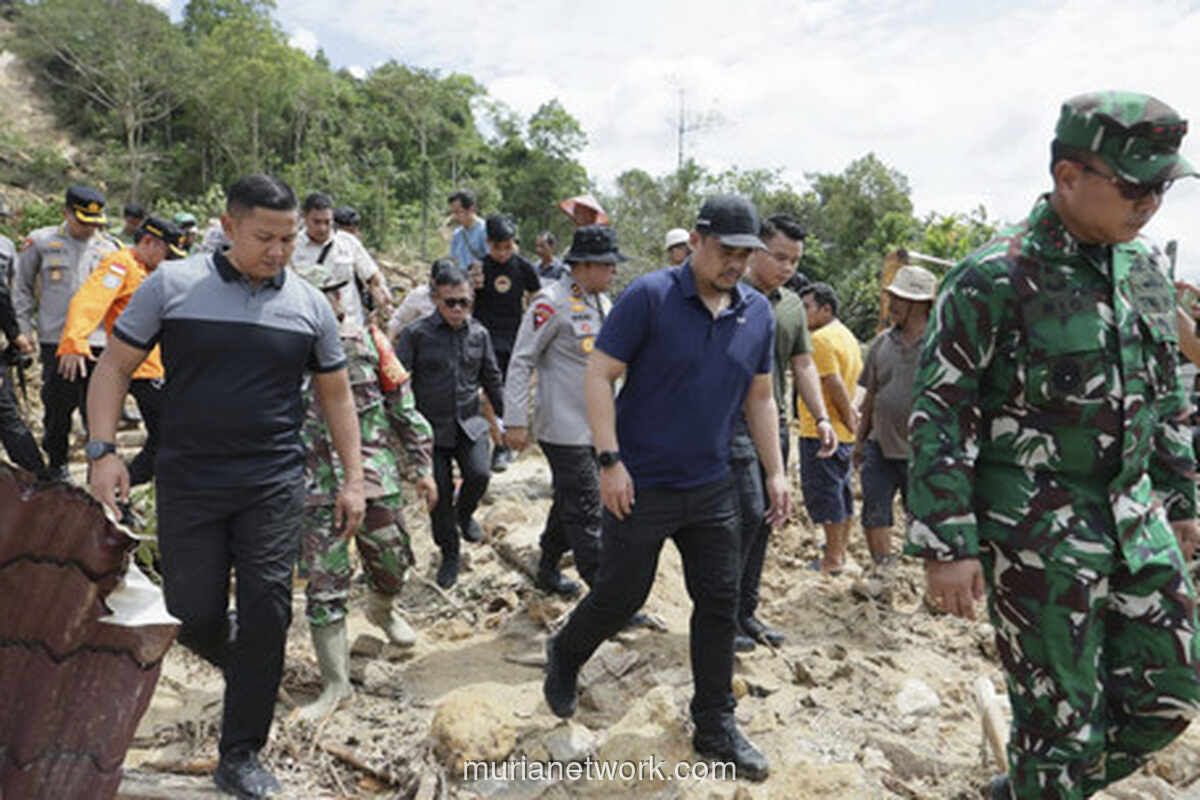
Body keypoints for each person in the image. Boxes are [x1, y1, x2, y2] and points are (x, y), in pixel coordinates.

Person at [906, 91, 1200, 800]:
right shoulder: (993, 278)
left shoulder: (1145, 274)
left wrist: (1182, 501)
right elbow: (941, 414)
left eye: (1163, 185)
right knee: (1061, 725)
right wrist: (948, 544)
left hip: (1134, 521)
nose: (1151, 202)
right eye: (1134, 186)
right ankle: (1047, 781)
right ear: (1069, 176)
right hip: (1036, 537)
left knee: (1173, 693)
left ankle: (1034, 788)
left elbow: (1160, 398)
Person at [86, 174, 365, 799]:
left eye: (289, 239)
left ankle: (240, 754)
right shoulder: (172, 285)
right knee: (193, 612)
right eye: (265, 237)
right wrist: (103, 451)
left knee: (268, 609)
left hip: (272, 478)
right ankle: (254, 671)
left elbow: (337, 395)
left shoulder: (309, 304)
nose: (278, 251)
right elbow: (114, 367)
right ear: (229, 225)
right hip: (190, 477)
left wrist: (354, 478)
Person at [543, 195, 788, 782]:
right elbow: (601, 375)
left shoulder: (756, 314)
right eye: (725, 251)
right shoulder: (649, 297)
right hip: (642, 484)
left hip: (712, 486)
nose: (734, 264)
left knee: (720, 603)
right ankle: (567, 653)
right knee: (622, 595)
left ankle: (714, 724)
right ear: (699, 241)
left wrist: (776, 471)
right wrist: (609, 460)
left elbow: (761, 397)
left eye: (743, 254)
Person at [295, 263, 436, 722]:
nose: (332, 301)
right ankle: (336, 684)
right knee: (324, 582)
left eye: (338, 292)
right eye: (322, 293)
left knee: (392, 557)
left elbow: (403, 407)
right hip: (315, 483)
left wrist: (423, 466)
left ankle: (382, 607)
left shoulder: (372, 343)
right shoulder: (282, 346)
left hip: (375, 476)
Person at [729, 214, 836, 653]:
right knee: (739, 521)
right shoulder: (729, 294)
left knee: (765, 520)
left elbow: (803, 365)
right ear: (755, 250)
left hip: (774, 428)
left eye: (794, 260)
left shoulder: (791, 305)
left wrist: (823, 417)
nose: (787, 267)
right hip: (726, 428)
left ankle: (744, 612)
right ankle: (722, 617)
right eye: (779, 257)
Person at [503, 225, 621, 597]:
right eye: (608, 265)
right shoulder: (550, 302)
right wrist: (516, 420)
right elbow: (522, 360)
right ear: (585, 265)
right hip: (564, 427)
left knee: (570, 500)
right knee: (588, 509)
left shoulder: (603, 303)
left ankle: (548, 567)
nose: (613, 272)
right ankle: (606, 597)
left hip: (598, 427)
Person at [56, 216, 187, 487]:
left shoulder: (152, 271)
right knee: (168, 434)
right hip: (138, 368)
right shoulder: (120, 265)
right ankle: (119, 492)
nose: (170, 261)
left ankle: (123, 490)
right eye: (167, 253)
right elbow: (89, 301)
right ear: (149, 242)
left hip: (155, 366)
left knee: (167, 435)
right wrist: (74, 340)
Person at [395, 266, 504, 589]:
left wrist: (507, 419)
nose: (457, 309)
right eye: (450, 302)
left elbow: (491, 378)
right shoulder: (417, 334)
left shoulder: (479, 334)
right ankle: (450, 553)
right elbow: (399, 381)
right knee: (438, 497)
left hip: (470, 424)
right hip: (431, 430)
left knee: (480, 474)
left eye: (464, 302)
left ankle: (465, 513)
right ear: (435, 299)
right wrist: (402, 427)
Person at [13, 185, 121, 481]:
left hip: (98, 342)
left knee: (97, 412)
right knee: (57, 409)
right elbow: (21, 288)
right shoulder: (41, 242)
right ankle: (58, 464)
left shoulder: (109, 249)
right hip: (56, 340)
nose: (89, 228)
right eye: (82, 220)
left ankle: (96, 471)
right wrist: (24, 328)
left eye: (94, 223)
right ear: (66, 212)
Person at [851, 265, 935, 575]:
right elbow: (871, 395)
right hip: (880, 446)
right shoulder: (882, 344)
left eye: (901, 298)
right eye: (892, 297)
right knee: (875, 512)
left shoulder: (941, 346)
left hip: (923, 452)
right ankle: (883, 573)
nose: (893, 304)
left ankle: (931, 585)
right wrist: (860, 441)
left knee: (927, 520)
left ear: (922, 304)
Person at [798, 281, 862, 575]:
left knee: (827, 496)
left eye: (808, 307)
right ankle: (839, 553)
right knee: (841, 494)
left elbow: (832, 383)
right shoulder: (845, 335)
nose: (803, 313)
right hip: (843, 433)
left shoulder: (821, 339)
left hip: (823, 433)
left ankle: (832, 560)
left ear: (826, 309)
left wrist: (845, 419)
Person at [472, 214, 541, 472]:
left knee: (511, 394)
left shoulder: (524, 268)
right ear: (488, 243)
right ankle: (498, 444)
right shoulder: (479, 268)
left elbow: (536, 300)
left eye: (507, 246)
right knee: (489, 395)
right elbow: (467, 302)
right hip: (484, 339)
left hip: (514, 339)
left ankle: (511, 439)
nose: (502, 253)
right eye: (496, 247)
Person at [290, 192, 389, 327]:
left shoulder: (347, 242)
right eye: (316, 222)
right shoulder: (291, 246)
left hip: (348, 325)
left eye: (327, 222)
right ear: (304, 218)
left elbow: (372, 276)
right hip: (306, 324)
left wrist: (381, 298)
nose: (323, 228)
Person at [0, 206, 44, 477]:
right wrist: (16, 334)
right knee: (8, 418)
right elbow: (3, 294)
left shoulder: (5, 247)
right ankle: (40, 483)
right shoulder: (4, 247)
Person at [388, 258, 454, 341]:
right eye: (439, 282)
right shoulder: (419, 296)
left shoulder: (458, 299)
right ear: (431, 279)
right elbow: (398, 320)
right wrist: (388, 345)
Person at [448, 189, 487, 272]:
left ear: (471, 209)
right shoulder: (456, 235)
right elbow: (453, 261)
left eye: (459, 212)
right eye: (453, 212)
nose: (455, 216)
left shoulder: (484, 230)